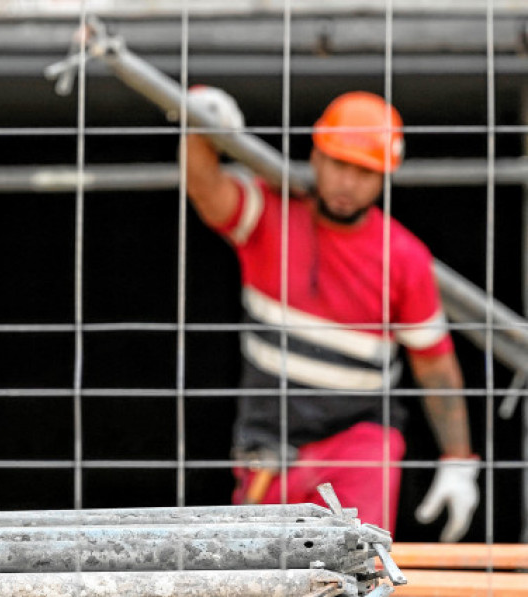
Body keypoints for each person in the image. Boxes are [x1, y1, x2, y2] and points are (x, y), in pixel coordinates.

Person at [184, 88, 479, 540]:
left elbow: (434, 364)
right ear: (317, 158)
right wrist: (199, 127)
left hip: (358, 440)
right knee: (262, 576)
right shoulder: (269, 216)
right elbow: (207, 191)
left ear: (384, 177)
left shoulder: (403, 258)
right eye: (340, 164)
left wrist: (459, 461)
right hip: (269, 444)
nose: (348, 183)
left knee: (354, 570)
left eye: (365, 172)